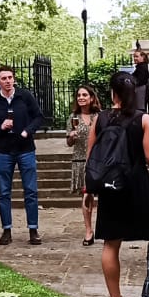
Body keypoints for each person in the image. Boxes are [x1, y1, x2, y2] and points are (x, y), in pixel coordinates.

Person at [88, 72, 149, 297]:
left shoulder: (100, 119)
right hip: (137, 185)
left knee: (111, 244)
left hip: (110, 188)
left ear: (112, 92)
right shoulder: (143, 119)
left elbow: (93, 153)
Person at [0, 66, 45, 245]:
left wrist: (28, 131)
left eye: (10, 77)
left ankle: (33, 229)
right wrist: (0, 128)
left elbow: (38, 117)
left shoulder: (24, 96)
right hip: (4, 150)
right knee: (3, 192)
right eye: (4, 78)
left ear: (14, 79)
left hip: (26, 149)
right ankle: (6, 230)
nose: (8, 81)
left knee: (31, 191)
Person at [67, 84, 102, 246]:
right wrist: (72, 137)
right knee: (86, 196)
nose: (81, 97)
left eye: (84, 95)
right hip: (81, 160)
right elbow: (68, 142)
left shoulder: (99, 116)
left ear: (92, 98)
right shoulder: (73, 117)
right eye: (79, 95)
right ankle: (88, 230)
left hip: (99, 161)